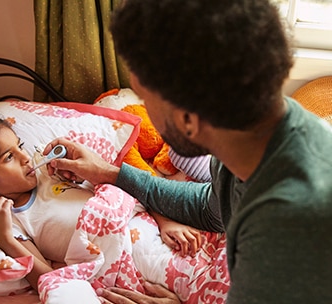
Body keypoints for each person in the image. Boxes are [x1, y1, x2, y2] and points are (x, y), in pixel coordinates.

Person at [42, 0, 332, 303]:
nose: (145, 112)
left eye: (145, 100)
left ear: (188, 120)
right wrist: (110, 174)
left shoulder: (290, 225)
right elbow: (211, 210)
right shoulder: (250, 135)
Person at [0, 114, 203, 294]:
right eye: (9, 157)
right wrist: (4, 239)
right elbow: (47, 281)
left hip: (153, 227)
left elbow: (126, 187)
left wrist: (166, 220)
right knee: (202, 283)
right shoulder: (11, 219)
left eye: (20, 146)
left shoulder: (53, 171)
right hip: (131, 259)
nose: (26, 158)